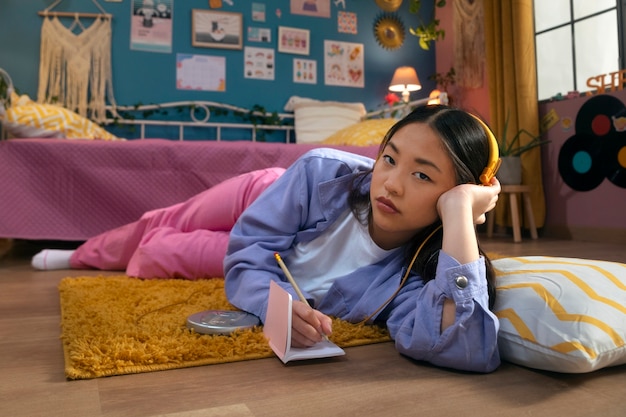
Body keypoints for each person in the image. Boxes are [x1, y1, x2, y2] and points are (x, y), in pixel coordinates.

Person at [33, 104, 502, 373]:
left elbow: (463, 347)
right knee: (163, 220)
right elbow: (250, 248)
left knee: (159, 253)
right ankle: (80, 257)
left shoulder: (411, 279)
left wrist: (460, 211)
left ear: (456, 191)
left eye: (423, 175)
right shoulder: (322, 171)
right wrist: (270, 301)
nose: (393, 184)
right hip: (266, 201)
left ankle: (99, 256)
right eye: (389, 159)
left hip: (278, 260)